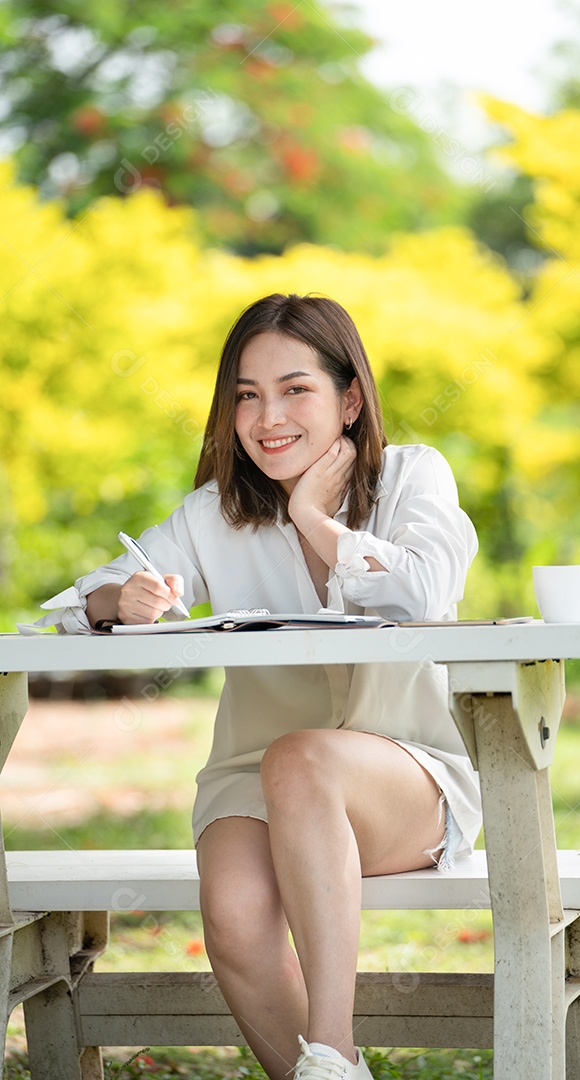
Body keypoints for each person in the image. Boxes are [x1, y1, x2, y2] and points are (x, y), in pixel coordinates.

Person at [40, 293, 481, 1080]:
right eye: (246, 394)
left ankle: (334, 1054)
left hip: (403, 777)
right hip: (252, 776)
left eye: (294, 388)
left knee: (302, 758)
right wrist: (122, 600)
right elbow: (91, 596)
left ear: (350, 398)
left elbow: (422, 591)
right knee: (238, 920)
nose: (265, 415)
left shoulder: (414, 476)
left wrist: (316, 518)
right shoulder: (217, 512)